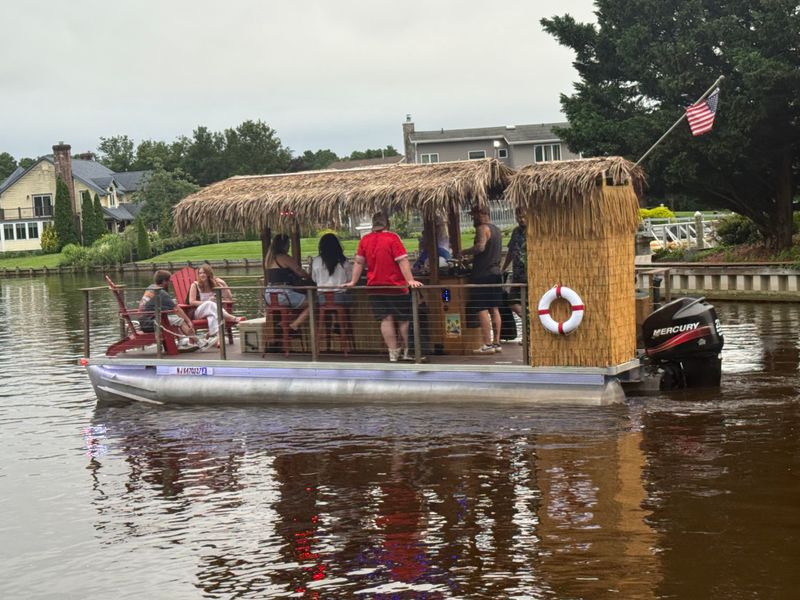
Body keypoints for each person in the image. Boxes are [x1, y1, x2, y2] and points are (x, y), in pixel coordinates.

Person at [344, 212, 423, 362]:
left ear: (373, 225)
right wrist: (410, 280)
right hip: (396, 286)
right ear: (388, 224)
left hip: (374, 287)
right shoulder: (393, 238)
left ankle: (393, 353)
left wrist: (353, 281)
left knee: (385, 320)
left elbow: (359, 262)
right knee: (403, 319)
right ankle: (408, 351)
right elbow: (402, 261)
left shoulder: (365, 240)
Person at [461, 205, 503, 354]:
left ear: (482, 214)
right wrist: (469, 261)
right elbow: (487, 254)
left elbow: (480, 248)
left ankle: (487, 344)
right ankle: (497, 343)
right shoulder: (497, 230)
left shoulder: (482, 228)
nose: (473, 218)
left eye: (474, 215)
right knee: (495, 308)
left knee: (482, 308)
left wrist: (463, 252)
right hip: (496, 273)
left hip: (483, 275)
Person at [264, 233, 310, 336]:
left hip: (269, 295)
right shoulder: (284, 257)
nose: (289, 246)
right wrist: (310, 276)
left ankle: (282, 323)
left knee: (296, 305)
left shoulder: (269, 258)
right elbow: (300, 272)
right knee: (312, 302)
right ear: (284, 245)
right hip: (283, 294)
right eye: (288, 243)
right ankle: (294, 325)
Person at [188, 263, 246, 345]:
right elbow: (192, 302)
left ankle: (219, 339)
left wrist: (223, 284)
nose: (202, 275)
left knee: (213, 315)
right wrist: (208, 301)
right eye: (200, 273)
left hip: (214, 311)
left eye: (204, 273)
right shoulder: (195, 285)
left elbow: (228, 298)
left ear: (209, 274)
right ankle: (233, 318)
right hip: (198, 312)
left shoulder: (214, 284)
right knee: (210, 304)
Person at [138, 269, 198, 345]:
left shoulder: (151, 287)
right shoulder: (161, 292)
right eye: (168, 281)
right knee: (180, 320)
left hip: (144, 322)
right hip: (152, 324)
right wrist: (188, 321)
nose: (169, 283)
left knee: (173, 319)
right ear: (164, 281)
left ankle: (181, 340)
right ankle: (199, 342)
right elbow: (177, 309)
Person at [311, 233, 353, 304]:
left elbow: (314, 279)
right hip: (341, 297)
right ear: (337, 246)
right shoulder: (343, 261)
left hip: (322, 298)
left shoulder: (316, 261)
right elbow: (350, 278)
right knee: (354, 299)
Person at [502, 207, 528, 320]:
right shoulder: (516, 231)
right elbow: (511, 251)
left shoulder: (533, 230)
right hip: (518, 274)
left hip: (530, 273)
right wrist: (503, 268)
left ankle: (530, 323)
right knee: (512, 301)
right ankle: (528, 318)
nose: (521, 220)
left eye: (523, 217)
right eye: (518, 217)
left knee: (531, 300)